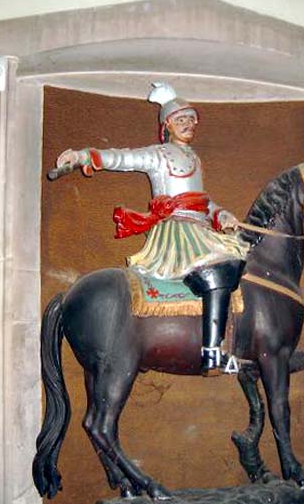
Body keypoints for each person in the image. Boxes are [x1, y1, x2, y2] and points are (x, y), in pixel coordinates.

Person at [56, 82, 248, 376]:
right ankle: (212, 353)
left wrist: (223, 215)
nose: (188, 124)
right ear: (167, 125)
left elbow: (201, 202)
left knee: (240, 256)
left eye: (191, 119)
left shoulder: (195, 159)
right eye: (180, 119)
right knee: (219, 269)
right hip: (177, 235)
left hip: (200, 230)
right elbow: (121, 158)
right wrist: (83, 156)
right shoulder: (159, 154)